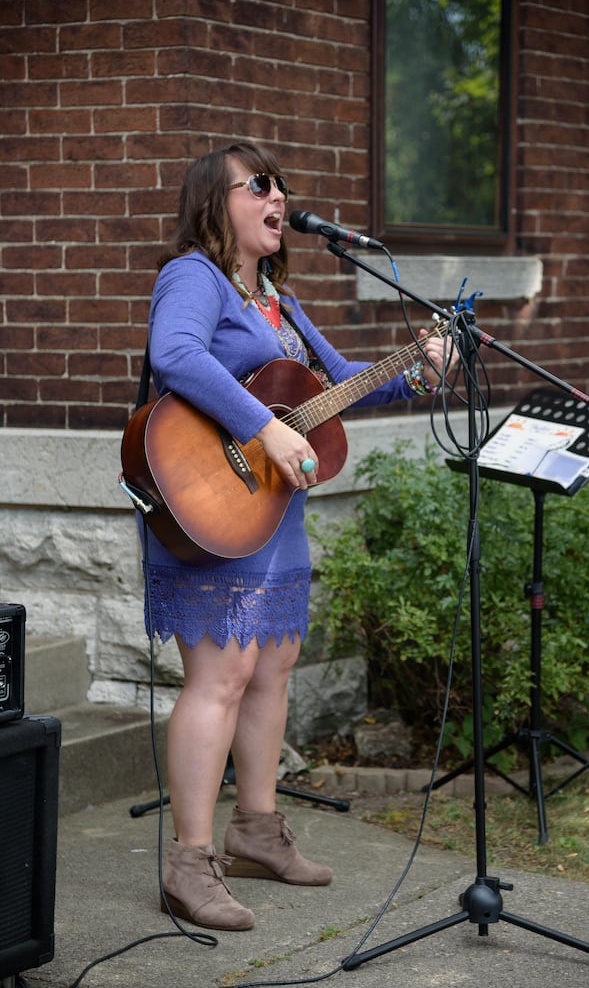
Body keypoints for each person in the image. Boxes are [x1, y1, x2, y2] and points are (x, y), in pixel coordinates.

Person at [140, 140, 452, 932]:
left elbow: (335, 384)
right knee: (223, 673)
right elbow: (172, 354)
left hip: (271, 512)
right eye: (262, 186)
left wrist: (419, 370)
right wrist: (263, 430)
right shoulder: (194, 277)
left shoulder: (275, 297)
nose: (280, 198)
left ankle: (256, 829)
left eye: (282, 187)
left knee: (273, 665)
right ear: (219, 201)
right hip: (210, 501)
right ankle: (190, 862)